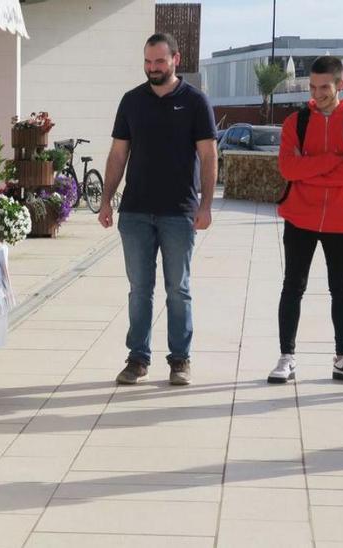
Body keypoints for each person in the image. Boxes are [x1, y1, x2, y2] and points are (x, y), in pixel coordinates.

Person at [100, 33, 217, 386]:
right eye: (148, 62)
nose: (153, 68)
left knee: (178, 289)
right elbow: (118, 153)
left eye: (160, 62)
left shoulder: (196, 102)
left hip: (179, 212)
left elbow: (208, 155)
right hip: (135, 211)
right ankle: (137, 358)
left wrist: (206, 204)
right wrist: (106, 199)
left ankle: (179, 360)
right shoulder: (132, 101)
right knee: (139, 289)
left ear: (176, 60)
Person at [267, 56, 343, 385]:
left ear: (340, 84)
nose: (317, 94)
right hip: (300, 217)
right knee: (292, 287)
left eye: (324, 87)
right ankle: (287, 357)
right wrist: (330, 161)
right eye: (312, 87)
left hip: (342, 219)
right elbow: (288, 169)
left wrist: (309, 168)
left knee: (341, 290)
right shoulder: (294, 123)